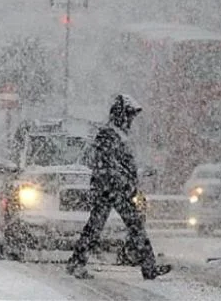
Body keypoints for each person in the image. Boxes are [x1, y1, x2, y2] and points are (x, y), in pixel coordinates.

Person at [66, 94, 172, 279]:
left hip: (112, 188)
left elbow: (116, 165)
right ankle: (148, 267)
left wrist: (130, 178)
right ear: (121, 115)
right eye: (129, 116)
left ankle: (77, 261)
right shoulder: (109, 135)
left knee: (98, 226)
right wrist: (124, 183)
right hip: (113, 189)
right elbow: (109, 165)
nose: (131, 120)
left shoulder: (115, 135)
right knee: (133, 226)